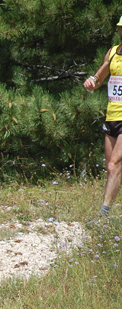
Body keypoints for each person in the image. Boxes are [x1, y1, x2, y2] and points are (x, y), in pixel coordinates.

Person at [83, 16, 122, 223]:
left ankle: (103, 215)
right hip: (112, 115)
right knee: (111, 166)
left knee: (115, 164)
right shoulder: (114, 52)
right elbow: (99, 78)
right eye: (120, 28)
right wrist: (92, 82)